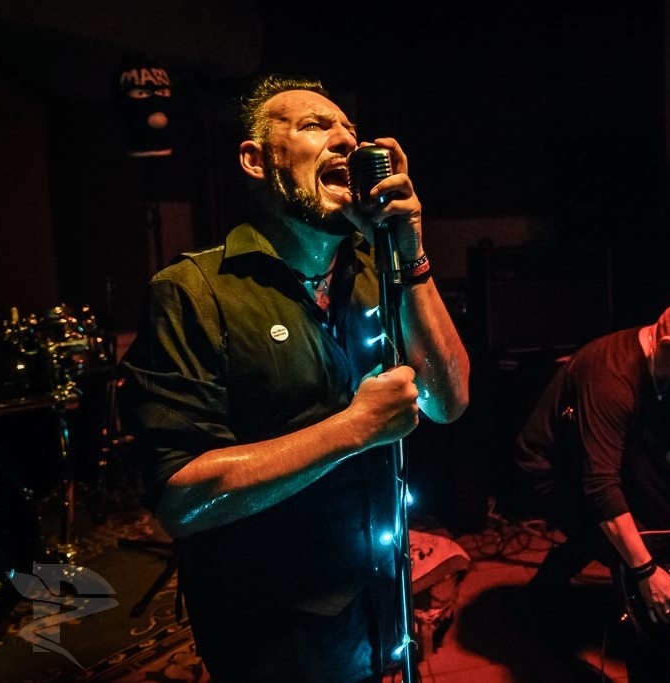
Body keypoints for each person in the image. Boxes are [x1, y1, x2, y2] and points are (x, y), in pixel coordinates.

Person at [118, 73, 470, 682]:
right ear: (255, 160)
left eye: (350, 130)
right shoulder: (194, 291)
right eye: (315, 125)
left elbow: (449, 400)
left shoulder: (377, 271)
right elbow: (182, 498)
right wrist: (355, 428)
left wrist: (409, 249)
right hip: (270, 624)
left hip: (378, 593)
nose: (346, 141)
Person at [514, 295, 670, 681]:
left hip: (591, 462)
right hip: (547, 469)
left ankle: (536, 600)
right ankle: (642, 656)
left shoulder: (667, 365)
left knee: (613, 534)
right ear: (668, 345)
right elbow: (600, 487)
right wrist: (646, 571)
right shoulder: (611, 381)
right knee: (617, 546)